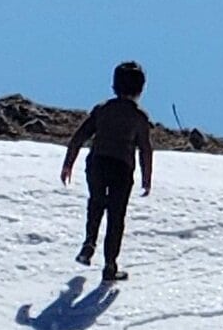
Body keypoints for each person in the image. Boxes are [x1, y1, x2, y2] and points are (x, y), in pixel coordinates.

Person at [59, 61, 154, 283]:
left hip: (97, 163)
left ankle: (88, 244)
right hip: (122, 168)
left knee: (96, 203)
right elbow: (145, 150)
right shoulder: (139, 117)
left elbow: (79, 137)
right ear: (141, 89)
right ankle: (110, 265)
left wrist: (68, 163)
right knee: (116, 215)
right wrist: (147, 178)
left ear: (114, 86)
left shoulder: (102, 109)